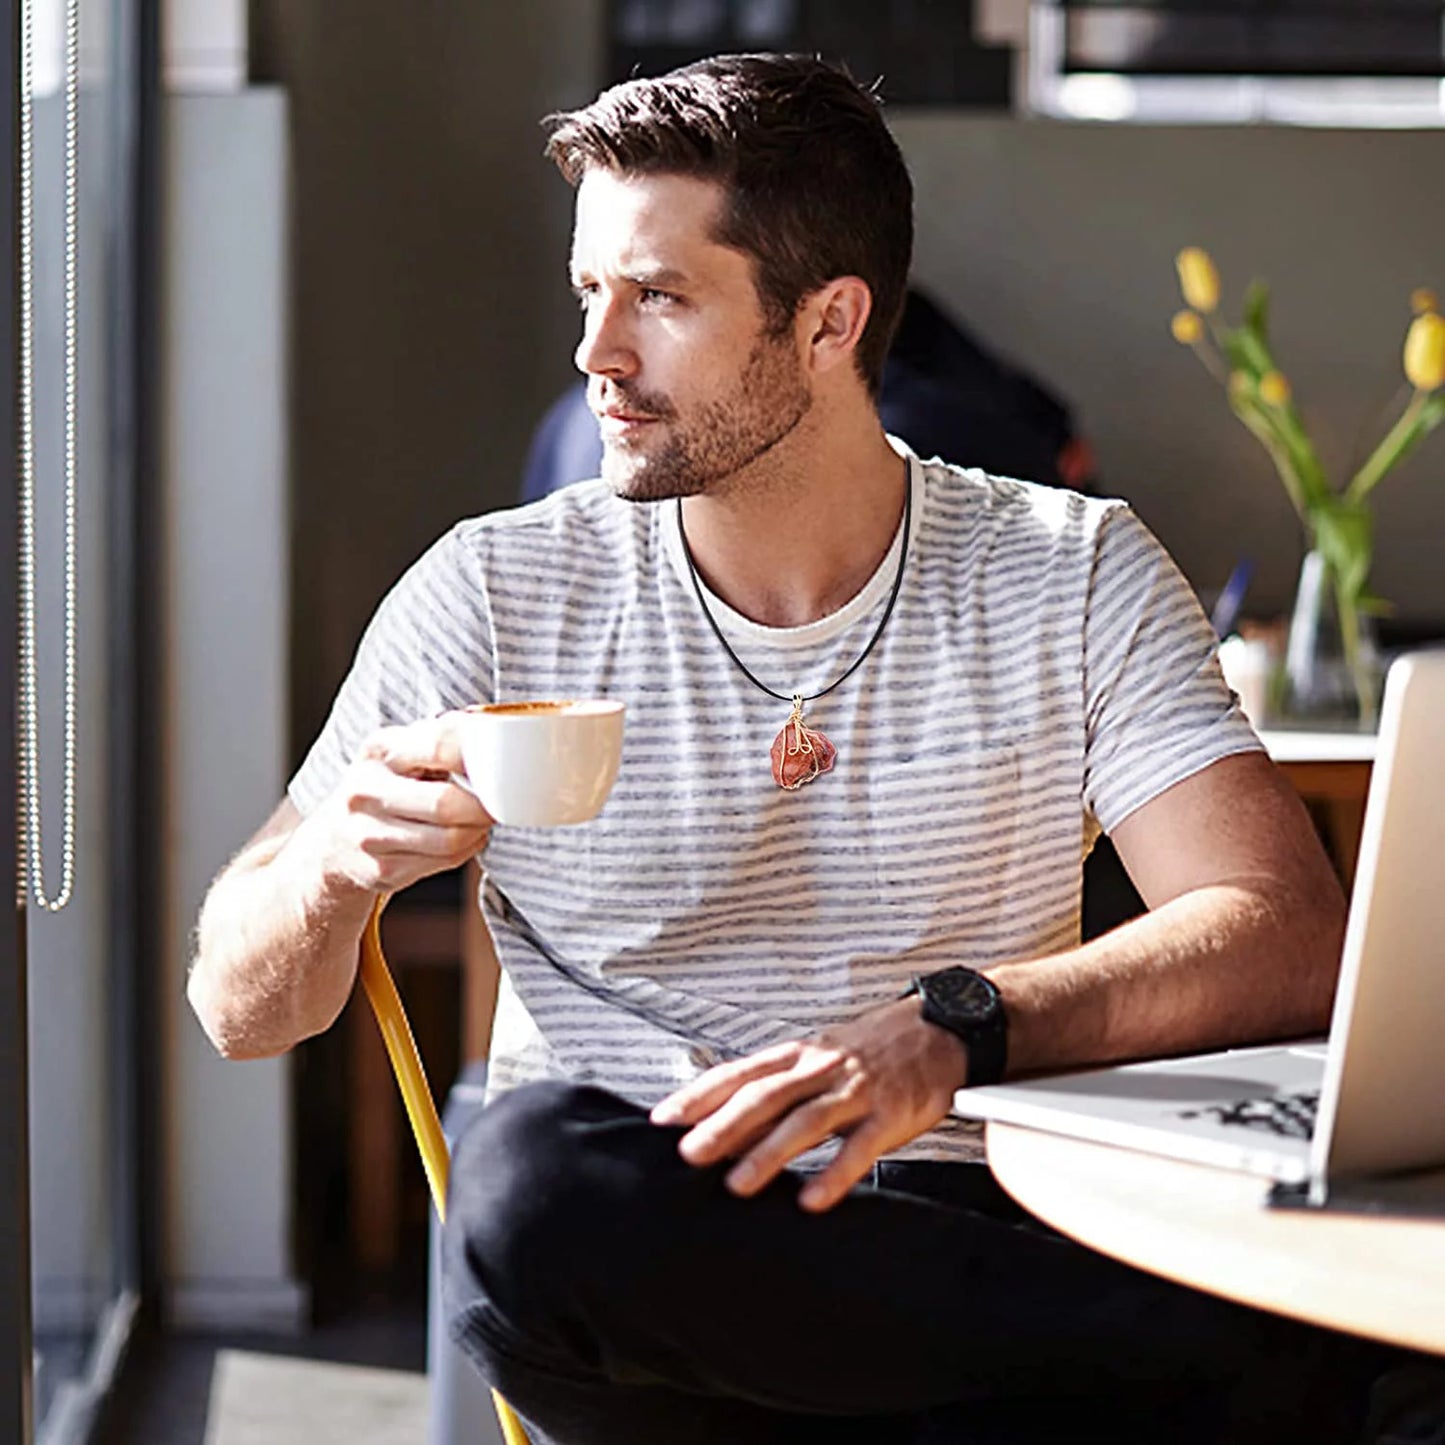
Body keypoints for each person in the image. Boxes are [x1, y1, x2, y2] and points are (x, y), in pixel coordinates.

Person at [189, 53, 1386, 1445]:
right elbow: (236, 1004)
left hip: (960, 1229)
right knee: (524, 1189)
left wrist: (952, 1029)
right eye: (590, 293)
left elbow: (1281, 929)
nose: (596, 354)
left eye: (660, 297)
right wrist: (331, 868)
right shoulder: (492, 590)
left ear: (829, 323)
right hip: (657, 1247)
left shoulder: (1067, 571)